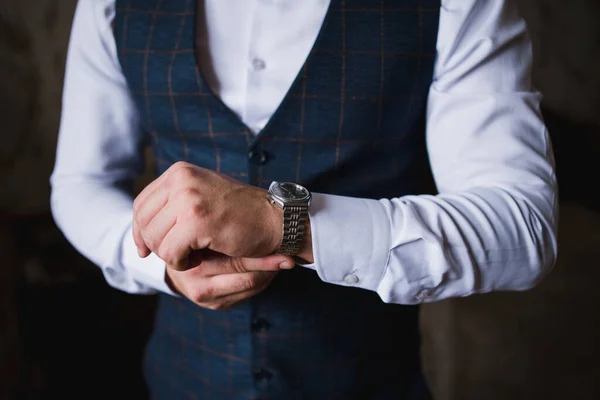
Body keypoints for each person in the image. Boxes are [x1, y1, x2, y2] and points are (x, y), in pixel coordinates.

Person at [50, 0, 558, 398]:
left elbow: (523, 225)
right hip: (182, 381)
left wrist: (288, 223)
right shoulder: (110, 4)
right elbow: (80, 183)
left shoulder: (457, 4)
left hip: (371, 383)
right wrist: (158, 262)